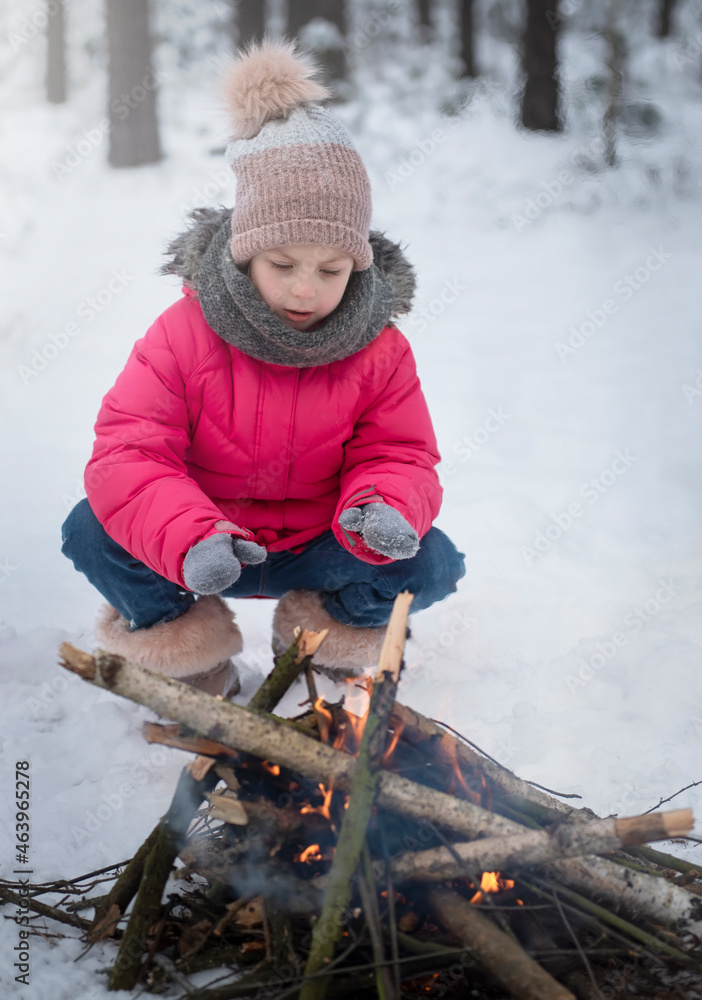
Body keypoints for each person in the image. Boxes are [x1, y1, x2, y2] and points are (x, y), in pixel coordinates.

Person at [61, 39, 465, 697]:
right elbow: (128, 455)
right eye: (283, 266)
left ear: (356, 266)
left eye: (330, 271)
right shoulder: (183, 335)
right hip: (201, 546)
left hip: (324, 542)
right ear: (246, 255)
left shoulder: (380, 349)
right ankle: (194, 658)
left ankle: (325, 641)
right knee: (90, 529)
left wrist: (383, 505)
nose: (305, 290)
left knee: (431, 557)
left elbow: (401, 451)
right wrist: (193, 537)